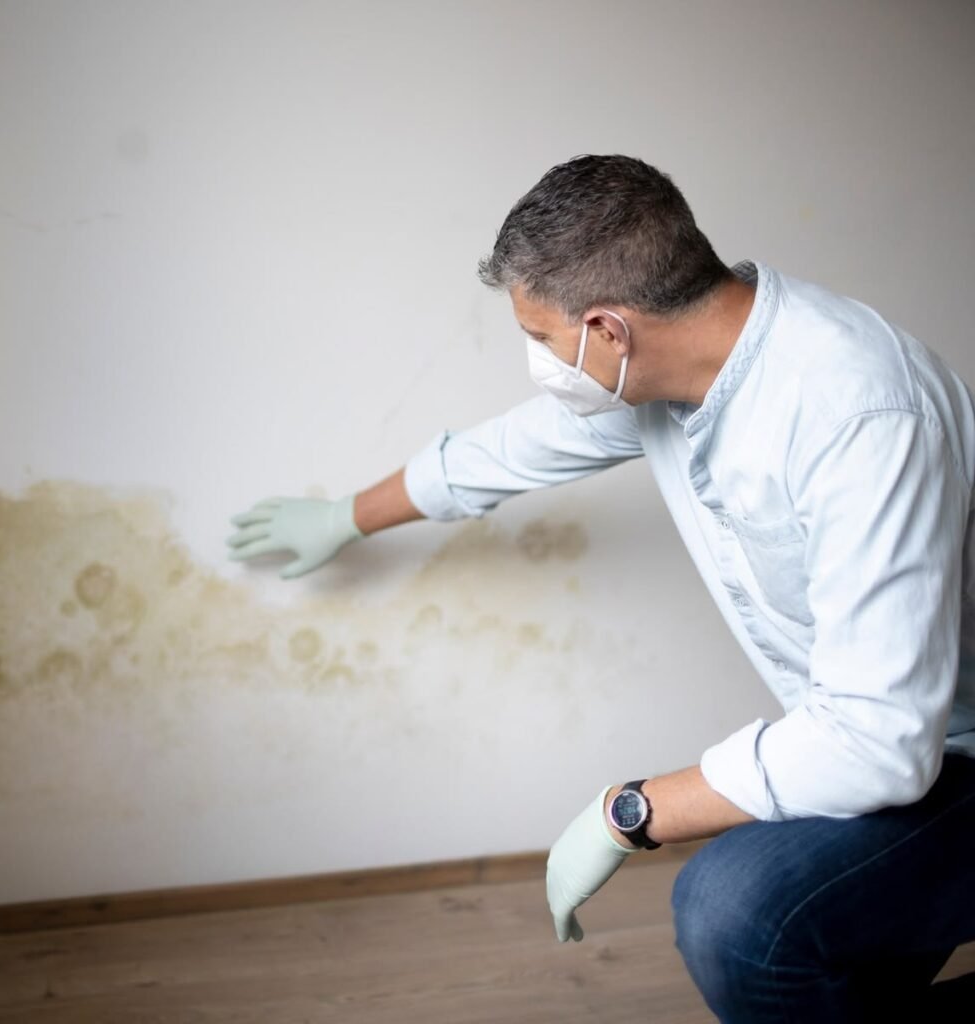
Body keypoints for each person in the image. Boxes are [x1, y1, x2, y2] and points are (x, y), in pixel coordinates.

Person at [226, 155, 975, 1021]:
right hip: (899, 747)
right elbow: (507, 451)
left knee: (736, 913)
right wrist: (343, 518)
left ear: (608, 330)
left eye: (541, 338)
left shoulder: (856, 414)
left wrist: (627, 813)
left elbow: (874, 743)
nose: (539, 361)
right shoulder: (678, 375)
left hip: (933, 750)